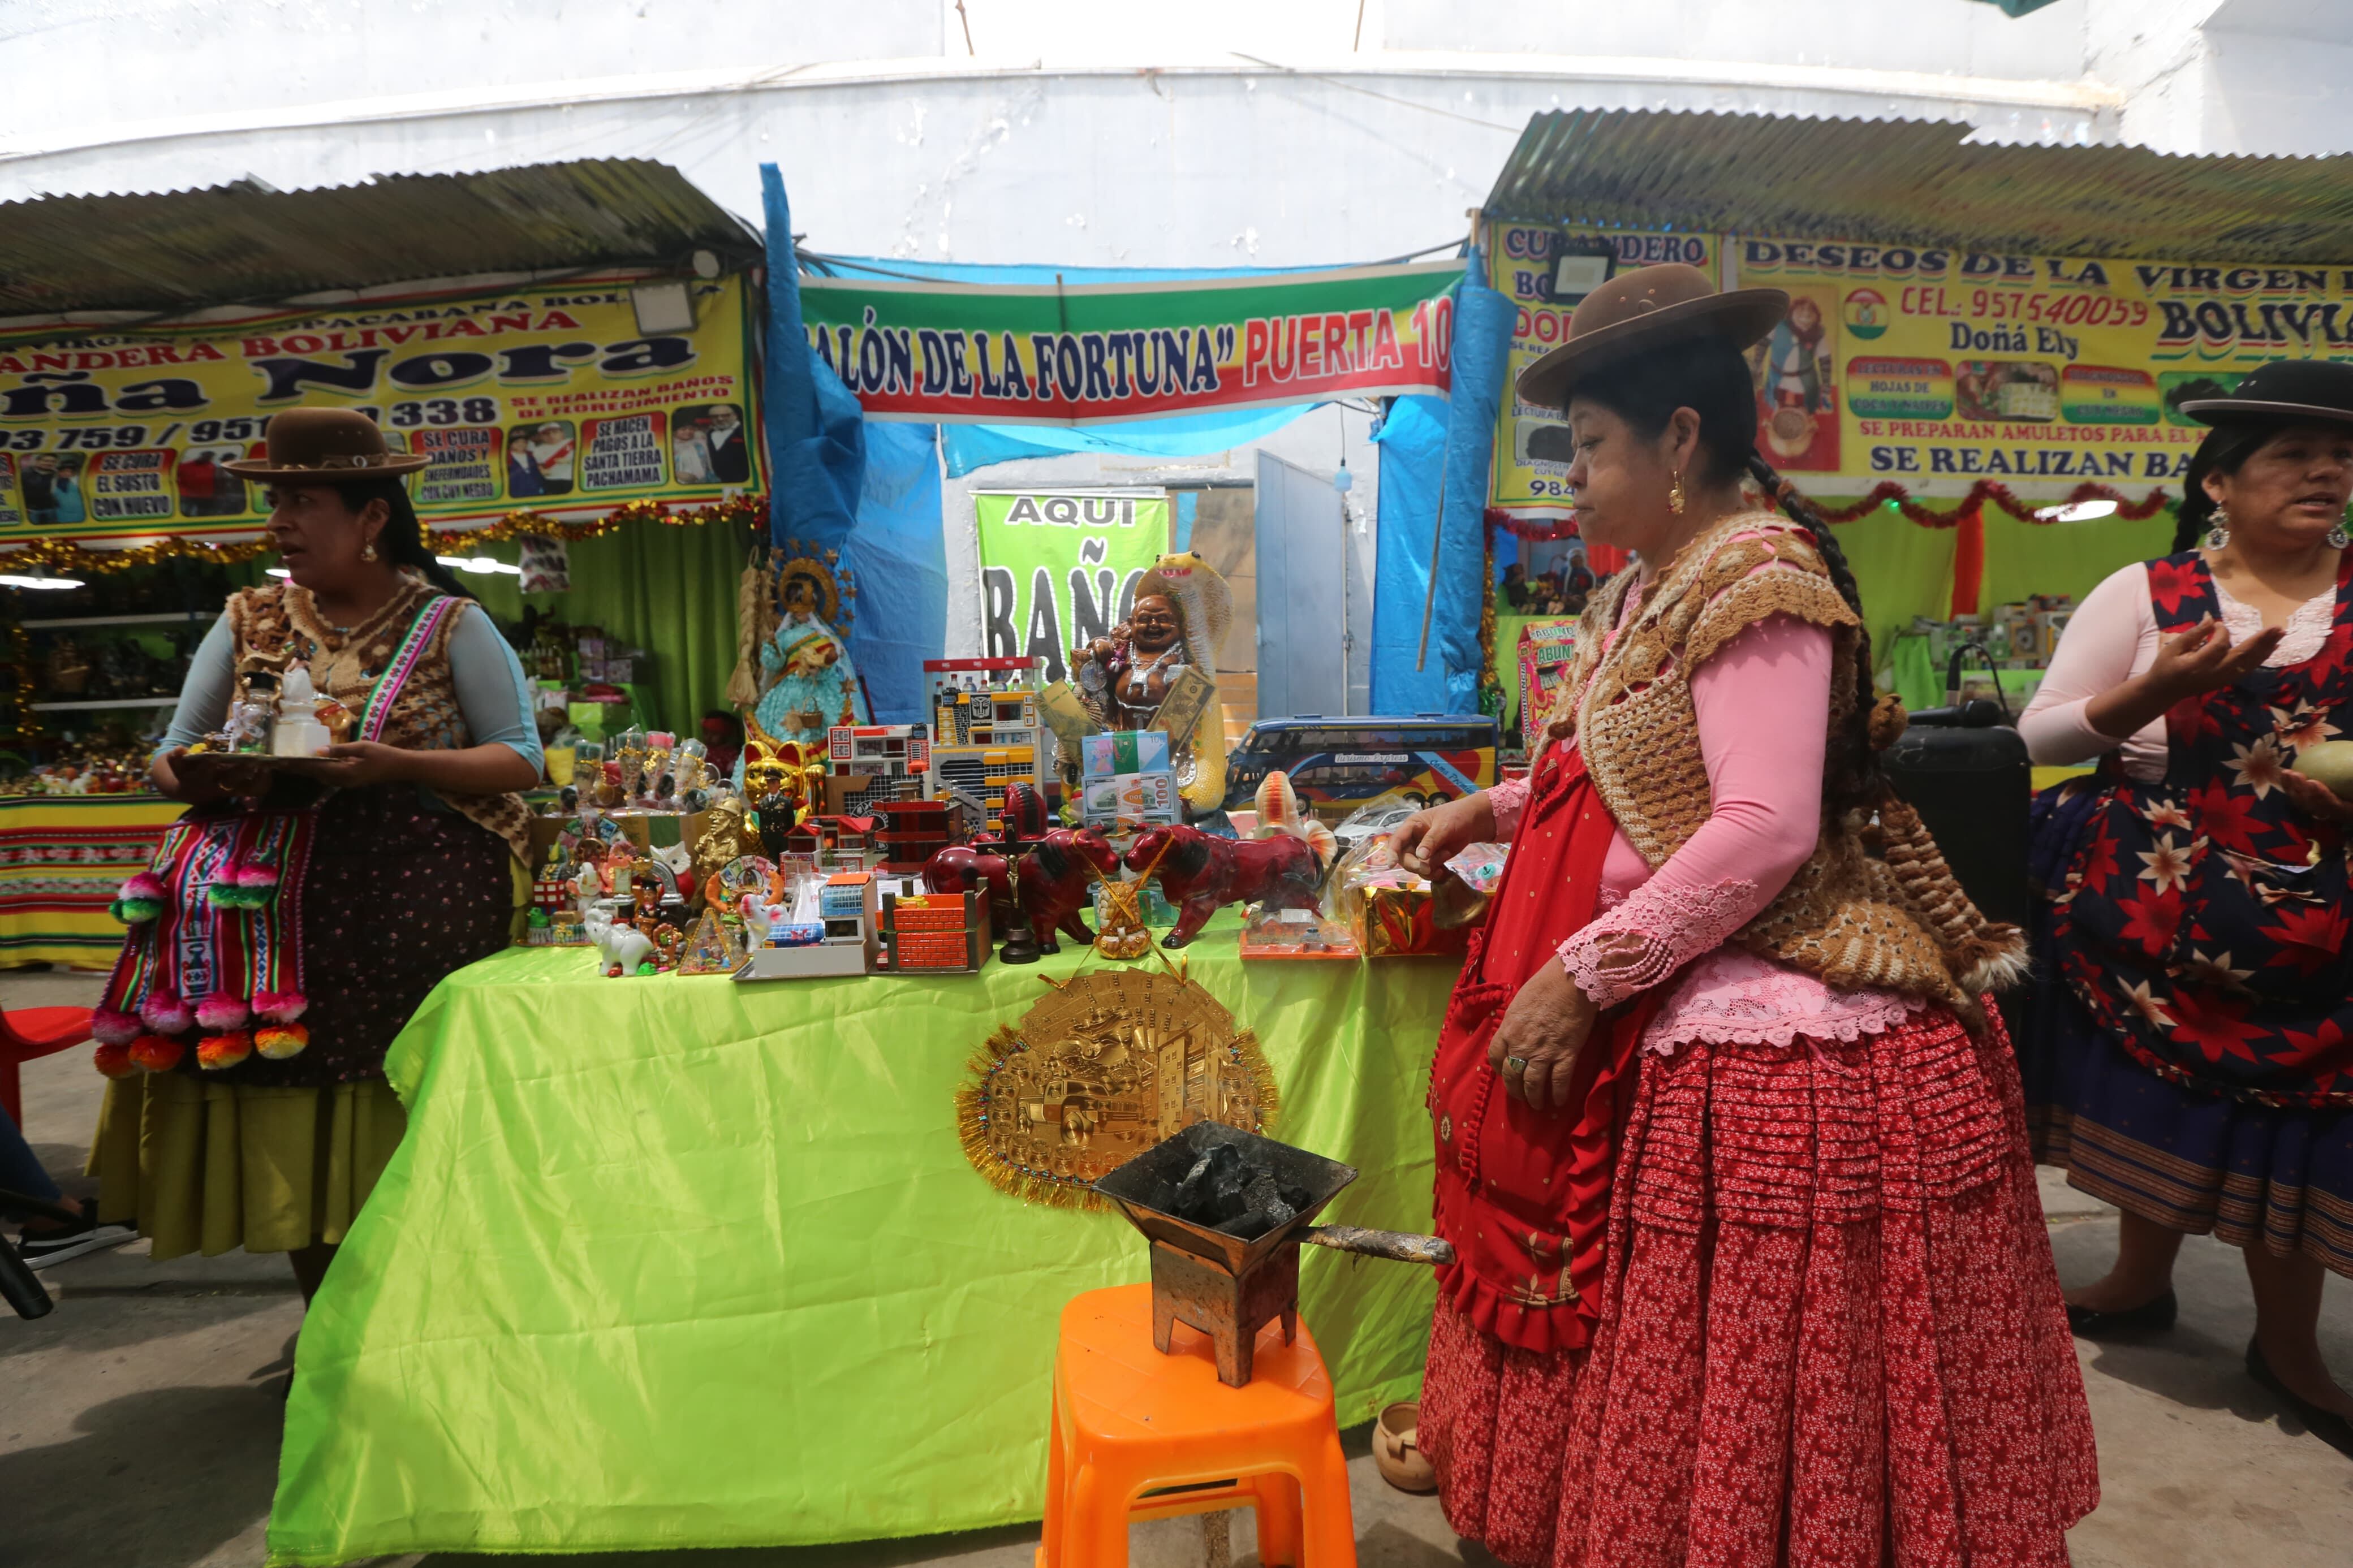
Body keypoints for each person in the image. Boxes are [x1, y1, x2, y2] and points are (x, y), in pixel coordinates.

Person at [1390, 264, 2095, 1566]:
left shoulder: (1759, 579)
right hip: (1654, 970)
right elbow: (1623, 764)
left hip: (1772, 986)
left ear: (1677, 439)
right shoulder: (1640, 587)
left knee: (1753, 1357)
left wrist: (1587, 970)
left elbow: (1761, 828)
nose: (1572, 484)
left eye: (1588, 449)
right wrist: (1488, 814)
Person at [90, 408, 541, 1303]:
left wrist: (400, 765)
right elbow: (169, 752)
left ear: (372, 518)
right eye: (277, 501)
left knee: (399, 1104)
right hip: (273, 929)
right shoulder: (248, 617)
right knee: (289, 1109)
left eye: (302, 500)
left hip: (407, 918)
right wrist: (211, 773)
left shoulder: (451, 623)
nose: (280, 522)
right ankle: (329, 1314)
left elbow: (519, 755)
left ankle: (430, 1306)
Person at [2016, 357, 2353, 1457]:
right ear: (2218, 480)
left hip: (2323, 913)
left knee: (2294, 1122)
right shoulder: (2144, 595)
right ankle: (2137, 1277)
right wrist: (2153, 690)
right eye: (2294, 455)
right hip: (2165, 903)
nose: (2325, 473)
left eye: (2340, 455)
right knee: (2159, 1092)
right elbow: (2037, 736)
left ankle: (2288, 1343)